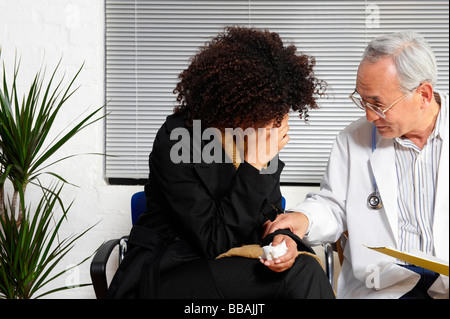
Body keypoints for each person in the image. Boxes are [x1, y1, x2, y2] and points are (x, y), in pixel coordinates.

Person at [107, 26, 334, 299]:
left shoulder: (257, 137)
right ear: (238, 100)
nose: (275, 123)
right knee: (303, 274)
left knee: (301, 266)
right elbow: (213, 241)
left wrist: (281, 238)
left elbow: (268, 213)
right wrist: (255, 163)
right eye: (268, 111)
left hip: (230, 267)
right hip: (170, 269)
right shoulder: (178, 139)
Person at [265, 31, 448, 299]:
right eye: (363, 101)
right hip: (386, 286)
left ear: (423, 94)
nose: (369, 115)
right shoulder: (352, 140)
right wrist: (304, 219)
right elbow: (332, 205)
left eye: (378, 104)